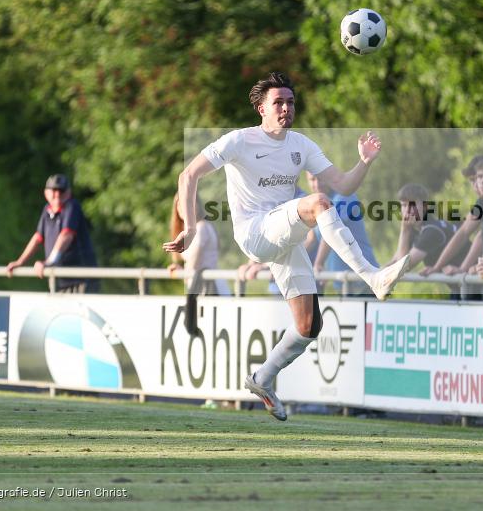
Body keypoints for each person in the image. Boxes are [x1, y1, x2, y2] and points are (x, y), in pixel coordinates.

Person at [163, 71, 410, 421]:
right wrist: (189, 228)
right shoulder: (238, 141)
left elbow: (345, 183)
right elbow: (188, 176)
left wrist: (365, 162)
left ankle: (262, 378)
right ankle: (373, 278)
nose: (286, 108)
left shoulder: (301, 145)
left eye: (290, 102)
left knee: (310, 325)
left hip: (282, 233)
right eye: (278, 102)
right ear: (260, 108)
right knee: (319, 202)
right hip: (255, 233)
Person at [6, 174, 99, 293]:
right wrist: (20, 262)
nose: (57, 194)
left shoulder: (72, 206)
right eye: (54, 190)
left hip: (81, 280)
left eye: (62, 190)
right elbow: (37, 237)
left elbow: (66, 236)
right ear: (46, 193)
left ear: (69, 192)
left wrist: (49, 262)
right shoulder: (47, 210)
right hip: (59, 280)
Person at [421, 156, 483, 277]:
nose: (478, 184)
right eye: (478, 178)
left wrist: (464, 268)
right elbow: (464, 232)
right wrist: (438, 267)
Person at [307, 171, 378, 295]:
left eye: (320, 179)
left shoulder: (344, 197)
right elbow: (311, 240)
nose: (317, 184)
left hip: (364, 281)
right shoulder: (318, 204)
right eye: (312, 180)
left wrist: (318, 263)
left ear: (328, 177)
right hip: (343, 282)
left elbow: (331, 232)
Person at [388, 183, 461, 271]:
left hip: (476, 279)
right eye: (404, 205)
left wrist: (404, 230)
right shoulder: (416, 229)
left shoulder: (431, 231)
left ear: (424, 206)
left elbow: (403, 267)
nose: (408, 210)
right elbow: (394, 262)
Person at [169, 193, 230, 296]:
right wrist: (181, 271)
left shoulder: (201, 228)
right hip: (199, 287)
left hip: (210, 289)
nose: (182, 208)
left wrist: (183, 274)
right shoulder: (192, 229)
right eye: (179, 204)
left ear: (196, 205)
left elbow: (194, 265)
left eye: (187, 203)